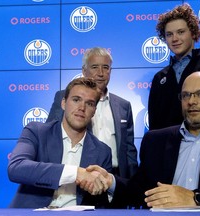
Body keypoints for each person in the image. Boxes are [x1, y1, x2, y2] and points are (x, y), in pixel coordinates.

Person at [88, 71, 200, 209]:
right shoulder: (156, 140)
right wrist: (111, 181)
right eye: (186, 95)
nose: (192, 101)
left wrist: (196, 198)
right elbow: (140, 191)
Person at [8, 77, 112, 208]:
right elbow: (16, 168)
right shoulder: (36, 131)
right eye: (76, 100)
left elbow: (101, 201)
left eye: (90, 103)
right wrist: (76, 173)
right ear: (63, 103)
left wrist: (97, 186)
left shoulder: (103, 152)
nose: (82, 107)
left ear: (94, 111)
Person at [47, 47, 138, 179]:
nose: (100, 73)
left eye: (105, 67)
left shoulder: (124, 105)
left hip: (114, 177)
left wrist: (132, 183)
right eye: (94, 67)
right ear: (84, 71)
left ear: (110, 71)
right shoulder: (65, 96)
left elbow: (129, 150)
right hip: (78, 174)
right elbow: (50, 136)